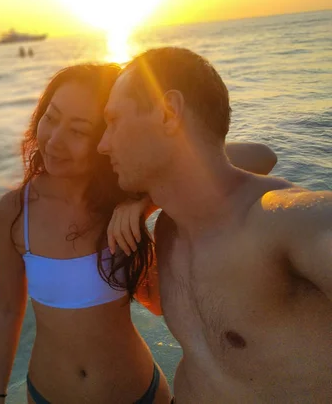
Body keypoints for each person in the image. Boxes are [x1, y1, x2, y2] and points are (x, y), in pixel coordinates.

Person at [0, 63, 278, 404]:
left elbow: (261, 157)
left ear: (105, 140)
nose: (54, 139)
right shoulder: (14, 210)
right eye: (51, 117)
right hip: (47, 393)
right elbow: (8, 309)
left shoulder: (122, 195)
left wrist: (145, 201)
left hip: (139, 393)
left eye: (78, 131)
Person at [98, 47, 332, 403]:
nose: (102, 144)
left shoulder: (283, 222)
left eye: (113, 121)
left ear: (167, 113)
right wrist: (145, 199)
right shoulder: (169, 231)